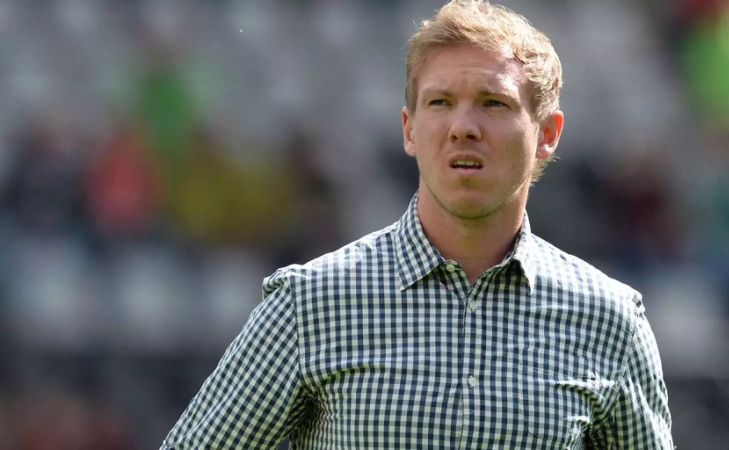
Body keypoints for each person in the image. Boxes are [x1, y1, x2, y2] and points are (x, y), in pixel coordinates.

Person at [160, 1, 673, 448]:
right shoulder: (310, 304)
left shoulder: (611, 322)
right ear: (409, 129)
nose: (463, 127)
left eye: (493, 103)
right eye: (440, 103)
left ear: (548, 134)